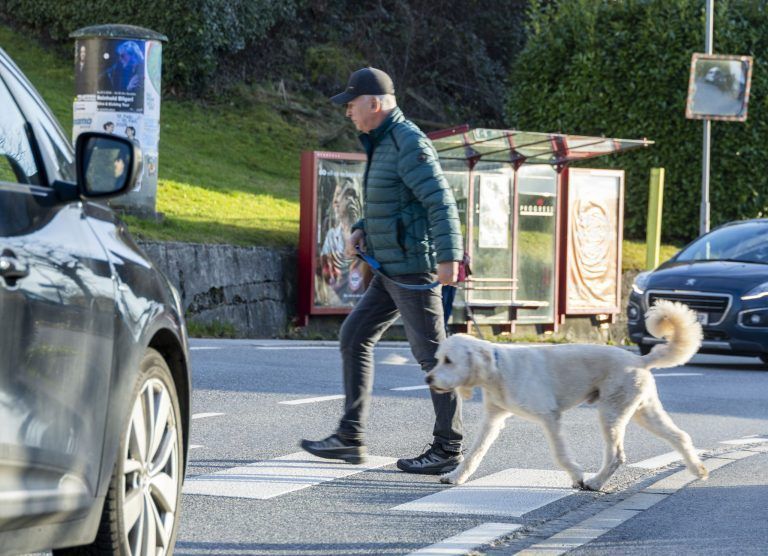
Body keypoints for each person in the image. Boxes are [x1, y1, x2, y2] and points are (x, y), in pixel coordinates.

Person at [301, 67, 465, 475]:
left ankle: (448, 447)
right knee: (354, 335)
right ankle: (350, 437)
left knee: (433, 357)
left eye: (351, 105)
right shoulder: (383, 141)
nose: (347, 113)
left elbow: (439, 202)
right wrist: (360, 229)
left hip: (411, 269)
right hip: (389, 267)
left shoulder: (409, 143)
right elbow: (390, 203)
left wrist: (450, 258)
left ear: (374, 104)